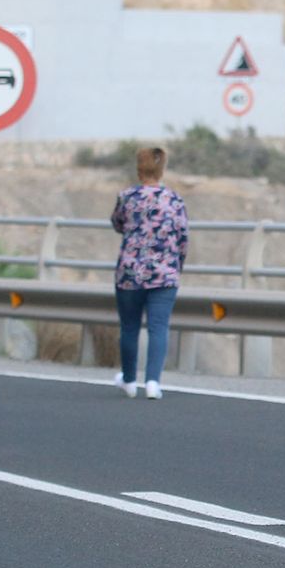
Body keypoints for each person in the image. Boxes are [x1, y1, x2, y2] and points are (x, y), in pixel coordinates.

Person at [110, 146, 189, 400]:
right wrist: (177, 266)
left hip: (130, 272)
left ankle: (129, 381)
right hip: (164, 273)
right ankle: (153, 382)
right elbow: (183, 237)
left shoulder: (127, 197)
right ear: (161, 169)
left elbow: (117, 224)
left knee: (129, 327)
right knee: (159, 327)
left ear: (139, 169)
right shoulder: (174, 200)